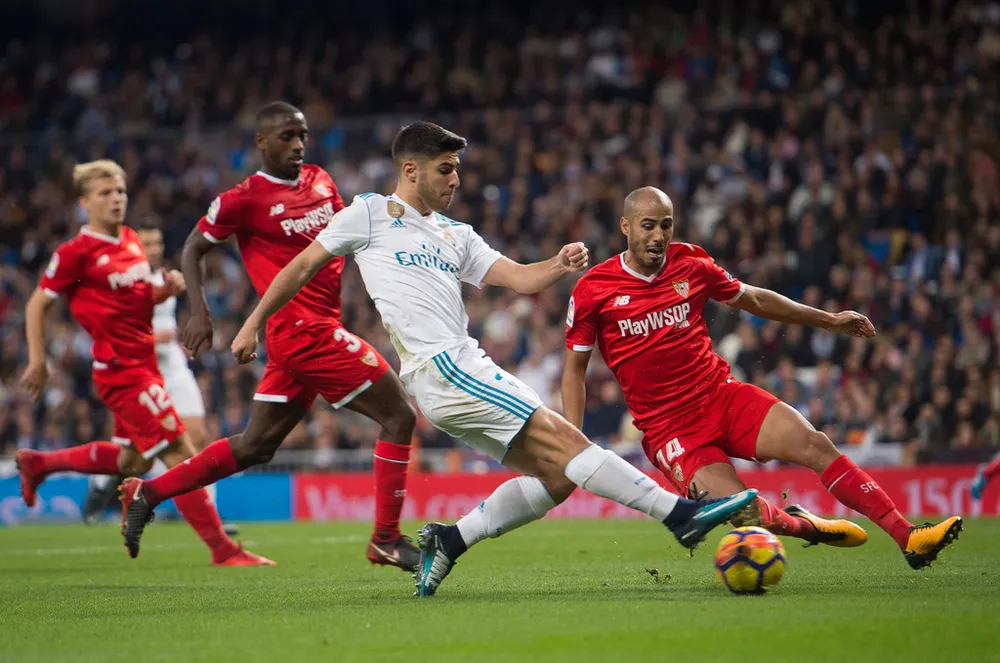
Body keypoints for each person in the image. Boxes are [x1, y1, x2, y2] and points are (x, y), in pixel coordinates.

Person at [210, 120, 758, 597]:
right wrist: (254, 322)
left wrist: (559, 263)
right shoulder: (370, 215)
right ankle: (678, 515)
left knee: (558, 476)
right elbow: (302, 266)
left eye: (456, 170)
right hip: (441, 366)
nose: (455, 180)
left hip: (460, 369)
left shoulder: (456, 234)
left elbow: (518, 277)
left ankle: (450, 539)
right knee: (571, 444)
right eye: (445, 169)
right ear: (410, 169)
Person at [562, 186, 962, 570]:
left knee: (815, 443)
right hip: (671, 432)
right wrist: (574, 443)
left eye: (666, 224)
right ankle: (802, 525)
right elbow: (574, 371)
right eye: (648, 225)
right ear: (625, 227)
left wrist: (829, 320)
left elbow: (754, 299)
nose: (659, 235)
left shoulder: (693, 266)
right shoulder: (595, 290)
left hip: (722, 397)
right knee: (744, 512)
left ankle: (908, 536)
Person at [117, 102, 420, 571]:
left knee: (256, 445)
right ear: (261, 142)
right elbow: (194, 245)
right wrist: (200, 313)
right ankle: (385, 537)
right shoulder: (245, 199)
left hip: (311, 332)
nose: (298, 144)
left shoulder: (321, 180)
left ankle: (148, 491)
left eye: (301, 135)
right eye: (286, 136)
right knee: (399, 414)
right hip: (304, 334)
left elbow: (351, 235)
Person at [16, 159, 269, 567]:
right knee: (184, 455)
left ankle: (39, 464)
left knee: (131, 461)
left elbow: (134, 298)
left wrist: (163, 291)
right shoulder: (75, 254)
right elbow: (36, 305)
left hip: (145, 363)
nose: (115, 199)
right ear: (84, 202)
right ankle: (223, 550)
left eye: (119, 192)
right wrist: (37, 360)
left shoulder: (131, 239)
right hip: (122, 372)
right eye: (104, 193)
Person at [81, 218, 238, 537]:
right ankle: (101, 482)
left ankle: (210, 518)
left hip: (174, 370)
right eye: (147, 244)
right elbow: (108, 333)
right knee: (134, 456)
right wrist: (153, 338)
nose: (153, 250)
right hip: (138, 374)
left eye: (157, 245)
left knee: (199, 436)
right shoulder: (117, 281)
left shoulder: (167, 278)